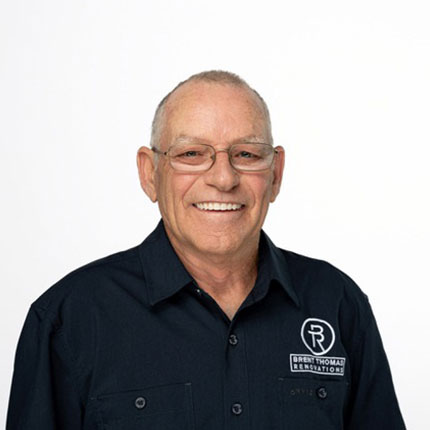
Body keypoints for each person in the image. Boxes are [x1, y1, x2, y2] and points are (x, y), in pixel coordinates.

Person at [6, 70, 406, 429]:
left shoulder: (337, 302)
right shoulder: (68, 319)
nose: (223, 177)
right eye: (191, 154)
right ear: (150, 173)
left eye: (246, 154)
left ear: (275, 174)